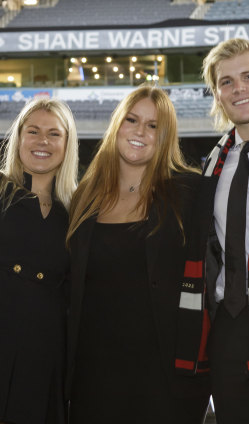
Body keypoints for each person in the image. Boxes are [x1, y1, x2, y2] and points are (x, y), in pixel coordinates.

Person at [65, 84, 210, 424]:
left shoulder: (189, 192)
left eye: (153, 125)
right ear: (117, 124)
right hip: (93, 372)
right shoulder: (85, 195)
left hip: (164, 375)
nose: (140, 132)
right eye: (132, 120)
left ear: (165, 136)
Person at [176, 38, 249, 424]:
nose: (238, 88)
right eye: (226, 82)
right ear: (217, 95)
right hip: (231, 326)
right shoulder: (212, 164)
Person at [0, 97, 78, 424]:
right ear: (18, 139)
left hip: (49, 354)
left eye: (54, 133)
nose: (42, 141)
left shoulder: (79, 210)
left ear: (67, 143)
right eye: (32, 131)